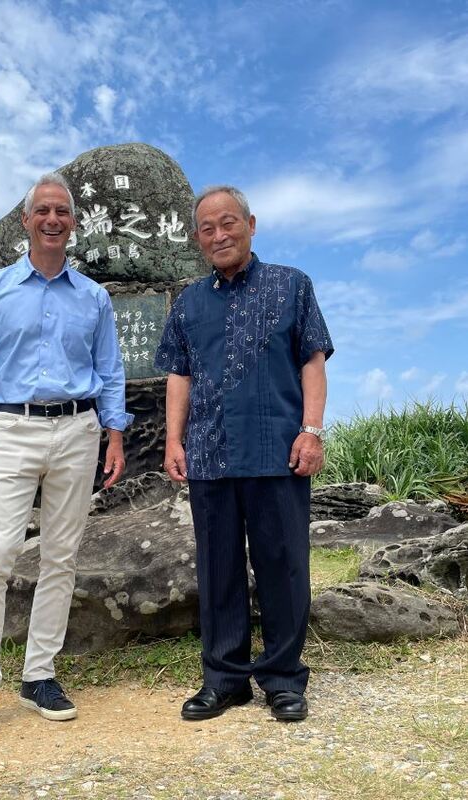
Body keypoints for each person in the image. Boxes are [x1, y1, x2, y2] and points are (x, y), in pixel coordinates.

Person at [0, 173, 132, 746]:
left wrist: (115, 435)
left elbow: (111, 370)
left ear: (73, 224)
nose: (53, 219)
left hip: (78, 429)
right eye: (43, 211)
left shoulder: (94, 297)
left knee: (60, 556)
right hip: (13, 427)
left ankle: (39, 675)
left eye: (63, 212)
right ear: (26, 222)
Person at [154, 186, 333, 723]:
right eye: (207, 228)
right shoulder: (188, 303)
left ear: (251, 224)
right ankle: (225, 680)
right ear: (196, 238)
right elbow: (178, 375)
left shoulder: (291, 285)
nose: (219, 234)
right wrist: (172, 440)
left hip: (277, 450)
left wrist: (311, 430)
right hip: (209, 455)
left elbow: (313, 360)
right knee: (217, 570)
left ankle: (282, 678)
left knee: (283, 566)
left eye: (228, 223)